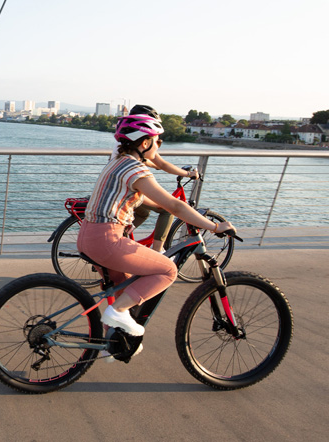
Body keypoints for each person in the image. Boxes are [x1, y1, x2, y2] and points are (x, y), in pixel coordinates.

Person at [79, 113, 235, 359]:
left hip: (89, 235)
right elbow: (176, 207)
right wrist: (215, 227)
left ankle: (110, 343)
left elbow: (147, 195)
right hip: (107, 240)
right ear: (144, 144)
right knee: (167, 271)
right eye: (158, 141)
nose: (159, 146)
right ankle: (116, 314)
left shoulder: (118, 161)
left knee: (123, 287)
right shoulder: (135, 169)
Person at [113, 105, 198, 251]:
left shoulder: (125, 145)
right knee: (166, 209)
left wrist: (153, 164)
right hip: (125, 191)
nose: (157, 142)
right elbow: (162, 164)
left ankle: (120, 237)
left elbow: (153, 163)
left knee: (143, 213)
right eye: (156, 139)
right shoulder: (137, 156)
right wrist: (188, 174)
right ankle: (158, 250)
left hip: (117, 188)